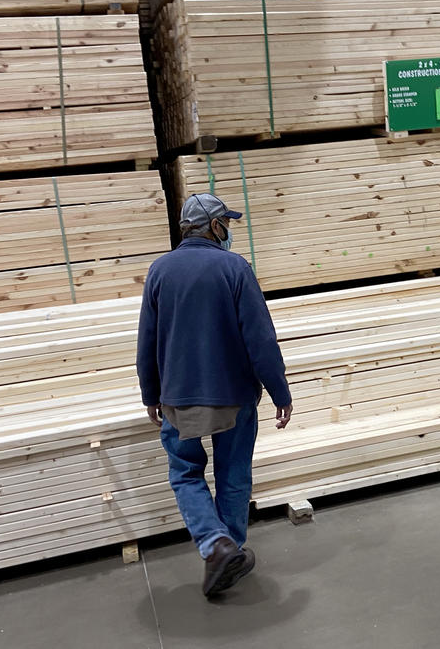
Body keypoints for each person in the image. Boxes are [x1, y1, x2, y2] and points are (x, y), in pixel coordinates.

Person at [136, 192, 294, 598]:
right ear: (214, 225)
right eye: (227, 222)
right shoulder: (234, 268)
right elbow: (259, 337)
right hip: (234, 394)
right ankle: (231, 547)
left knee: (186, 472)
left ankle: (215, 545)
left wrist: (149, 393)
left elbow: (148, 340)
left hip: (178, 395)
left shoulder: (159, 271)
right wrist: (279, 390)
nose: (229, 230)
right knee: (233, 472)